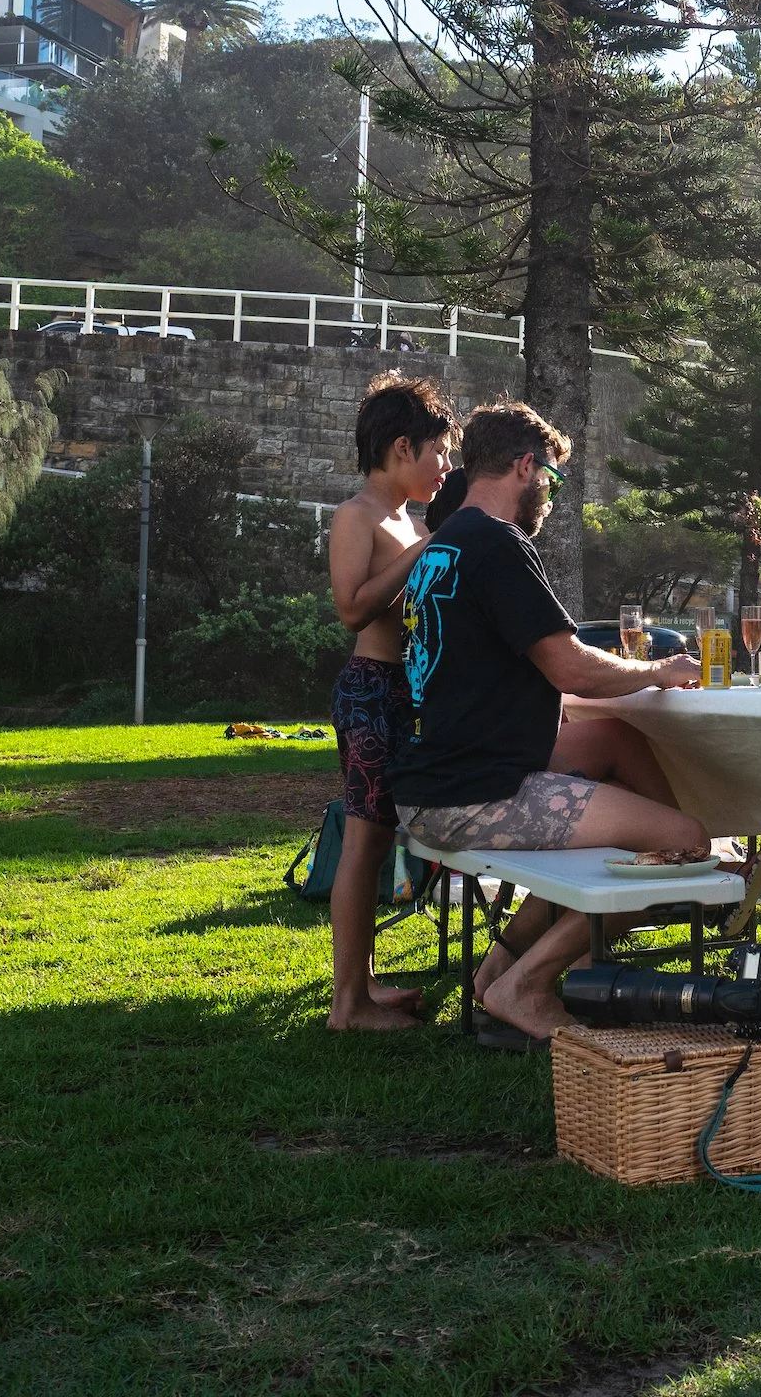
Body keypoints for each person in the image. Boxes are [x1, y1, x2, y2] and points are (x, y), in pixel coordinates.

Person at [392, 403, 709, 1040]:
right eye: (552, 479)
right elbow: (569, 667)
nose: (551, 494)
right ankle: (527, 984)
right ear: (524, 467)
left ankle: (502, 972)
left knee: (617, 740)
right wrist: (657, 672)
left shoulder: (445, 544)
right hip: (469, 796)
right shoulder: (498, 543)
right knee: (687, 840)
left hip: (437, 775)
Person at [323, 374, 458, 1031]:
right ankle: (347, 1004)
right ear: (403, 447)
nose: (446, 466)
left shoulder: (410, 520)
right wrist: (426, 549)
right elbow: (352, 608)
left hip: (409, 691)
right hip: (372, 689)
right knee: (364, 842)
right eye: (440, 451)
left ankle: (366, 985)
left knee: (380, 845)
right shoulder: (358, 516)